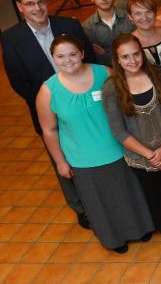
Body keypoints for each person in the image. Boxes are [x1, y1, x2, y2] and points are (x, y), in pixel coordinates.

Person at [35, 34, 153, 252]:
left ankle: (141, 228)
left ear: (81, 54)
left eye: (72, 54)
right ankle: (114, 239)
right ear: (53, 58)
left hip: (118, 149)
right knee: (101, 204)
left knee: (129, 194)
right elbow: (49, 131)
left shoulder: (104, 74)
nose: (67, 60)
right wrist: (60, 162)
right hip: (82, 159)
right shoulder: (47, 91)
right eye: (60, 56)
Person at [3, 0, 94, 229]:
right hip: (48, 111)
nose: (37, 8)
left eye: (41, 1)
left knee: (91, 150)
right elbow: (18, 82)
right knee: (62, 160)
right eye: (30, 4)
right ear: (20, 8)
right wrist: (52, 105)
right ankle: (81, 207)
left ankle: (100, 199)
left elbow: (90, 62)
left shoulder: (70, 26)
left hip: (85, 104)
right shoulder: (11, 39)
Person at [103, 34, 161, 254]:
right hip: (141, 157)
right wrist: (151, 156)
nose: (132, 60)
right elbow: (118, 131)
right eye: (126, 57)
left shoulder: (159, 77)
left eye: (136, 54)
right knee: (155, 196)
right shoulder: (111, 89)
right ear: (117, 59)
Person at [82, 0, 135, 66]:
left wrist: (105, 55)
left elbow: (140, 47)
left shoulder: (130, 17)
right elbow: (95, 60)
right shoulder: (87, 27)